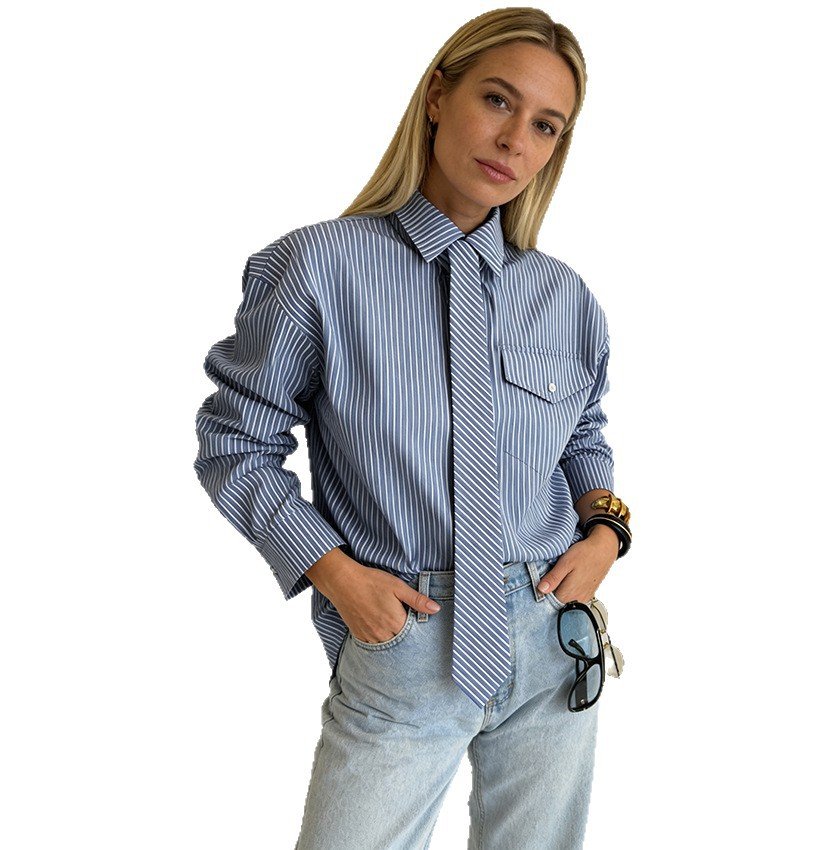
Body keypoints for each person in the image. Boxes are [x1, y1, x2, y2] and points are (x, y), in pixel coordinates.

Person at [193, 7, 632, 849]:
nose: (515, 141)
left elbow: (584, 435)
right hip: (408, 632)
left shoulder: (565, 298)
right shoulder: (318, 267)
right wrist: (335, 574)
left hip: (552, 634)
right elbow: (235, 443)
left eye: (546, 125)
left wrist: (607, 533)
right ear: (438, 95)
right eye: (497, 100)